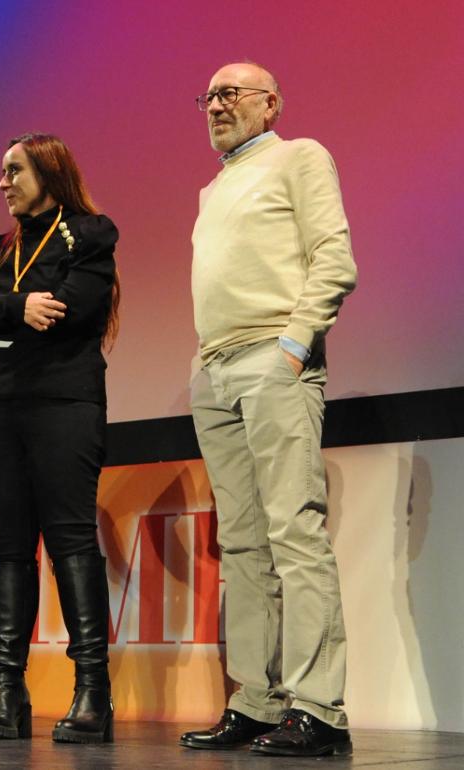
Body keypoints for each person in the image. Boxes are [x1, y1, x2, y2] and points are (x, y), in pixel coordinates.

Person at [180, 62, 356, 757]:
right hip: (217, 367)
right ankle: (258, 698)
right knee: (245, 544)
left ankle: (320, 707)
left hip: (272, 358)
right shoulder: (214, 186)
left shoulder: (300, 156)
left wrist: (294, 343)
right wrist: (203, 361)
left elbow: (334, 257)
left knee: (294, 533)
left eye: (232, 94)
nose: (217, 105)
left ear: (271, 104)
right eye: (210, 97)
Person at [0, 133, 119, 743]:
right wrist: (18, 306)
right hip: (1, 406)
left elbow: (73, 309)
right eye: (0, 171)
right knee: (12, 547)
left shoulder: (89, 233)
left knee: (72, 539)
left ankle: (92, 695)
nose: (2, 183)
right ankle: (7, 693)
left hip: (65, 401)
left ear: (49, 173)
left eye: (14, 170)